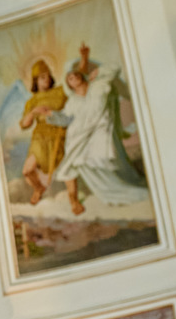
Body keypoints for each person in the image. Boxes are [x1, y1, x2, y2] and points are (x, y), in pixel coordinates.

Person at [38, 44, 148, 215]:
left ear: (81, 76)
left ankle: (114, 190)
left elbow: (115, 68)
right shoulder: (72, 101)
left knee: (97, 162)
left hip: (98, 135)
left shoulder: (99, 86)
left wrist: (98, 72)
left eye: (75, 74)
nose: (73, 77)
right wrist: (51, 114)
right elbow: (65, 119)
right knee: (68, 167)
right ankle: (74, 202)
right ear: (69, 84)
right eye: (69, 77)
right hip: (76, 138)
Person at [17, 60, 68, 205]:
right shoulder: (32, 102)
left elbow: (73, 105)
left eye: (47, 76)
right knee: (27, 171)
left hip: (57, 134)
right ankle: (39, 188)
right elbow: (25, 125)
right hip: (39, 138)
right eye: (42, 78)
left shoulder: (60, 92)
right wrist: (34, 112)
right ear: (35, 81)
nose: (46, 80)